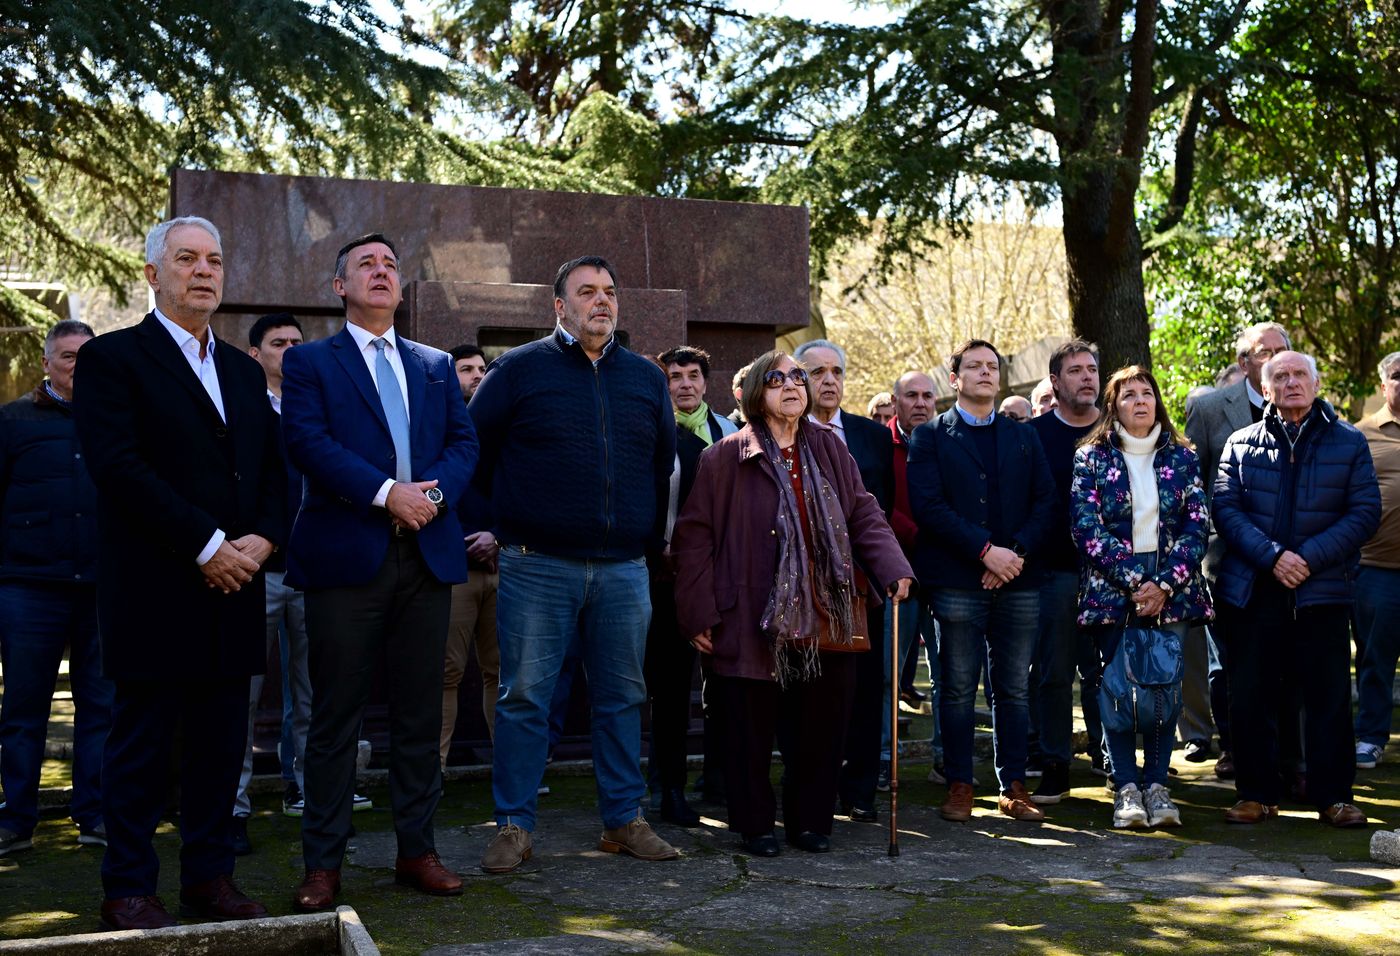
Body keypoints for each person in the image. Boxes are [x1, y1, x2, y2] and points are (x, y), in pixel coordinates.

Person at [74, 216, 283, 929]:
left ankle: (209, 879)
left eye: (215, 260)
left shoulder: (243, 371)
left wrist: (261, 540)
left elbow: (272, 473)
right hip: (157, 588)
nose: (204, 270)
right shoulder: (114, 360)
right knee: (141, 751)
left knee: (222, 751)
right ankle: (128, 887)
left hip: (236, 589)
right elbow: (119, 468)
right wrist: (207, 543)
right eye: (187, 258)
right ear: (152, 274)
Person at [282, 233, 479, 910]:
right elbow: (307, 441)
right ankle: (323, 865)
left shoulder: (432, 363)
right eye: (366, 265)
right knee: (336, 718)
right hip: (347, 559)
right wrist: (383, 493)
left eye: (390, 265)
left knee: (421, 716)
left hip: (425, 558)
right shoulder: (311, 361)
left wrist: (432, 497)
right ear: (340, 287)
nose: (380, 272)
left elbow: (463, 443)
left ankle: (417, 851)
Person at [470, 255, 679, 874]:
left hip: (622, 570)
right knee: (525, 697)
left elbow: (660, 461)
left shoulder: (645, 377)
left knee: (621, 697)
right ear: (559, 306)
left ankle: (623, 819)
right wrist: (507, 521)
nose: (602, 302)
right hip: (537, 566)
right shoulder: (517, 370)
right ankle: (513, 825)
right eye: (586, 292)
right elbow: (474, 452)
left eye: (609, 292)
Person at [672, 351, 913, 855]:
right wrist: (697, 610)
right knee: (749, 730)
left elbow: (863, 513)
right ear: (758, 392)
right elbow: (694, 539)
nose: (792, 386)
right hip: (751, 615)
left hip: (828, 610)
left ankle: (810, 822)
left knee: (821, 727)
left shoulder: (829, 449)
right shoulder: (722, 457)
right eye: (778, 378)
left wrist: (893, 568)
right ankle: (756, 824)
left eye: (798, 377)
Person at [1213, 350, 1379, 827]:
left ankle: (1334, 798)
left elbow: (1365, 511)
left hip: (1322, 589)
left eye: (1299, 374)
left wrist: (1307, 558)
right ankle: (1256, 794)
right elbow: (1225, 510)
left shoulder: (1349, 441)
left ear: (1316, 382)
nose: (1290, 383)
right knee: (1249, 695)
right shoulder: (1239, 444)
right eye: (1279, 376)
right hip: (1254, 591)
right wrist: (1273, 557)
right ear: (1264, 389)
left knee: (1327, 696)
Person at [907, 339, 1055, 823]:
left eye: (993, 367)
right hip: (957, 580)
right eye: (974, 366)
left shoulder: (1024, 435)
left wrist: (1015, 555)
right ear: (956, 380)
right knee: (955, 687)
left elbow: (1046, 502)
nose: (986, 373)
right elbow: (929, 508)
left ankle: (1013, 786)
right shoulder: (931, 436)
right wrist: (986, 553)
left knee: (1013, 688)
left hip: (1019, 579)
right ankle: (959, 783)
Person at [1070, 366, 1212, 827]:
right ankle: (1126, 787)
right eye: (1128, 394)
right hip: (1114, 586)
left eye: (1146, 393)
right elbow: (1085, 528)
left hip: (1172, 585)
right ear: (1113, 406)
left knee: (1164, 692)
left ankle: (1157, 785)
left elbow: (1196, 528)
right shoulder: (1091, 458)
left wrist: (1163, 584)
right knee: (1114, 690)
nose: (1139, 401)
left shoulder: (1184, 457)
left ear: (1158, 402)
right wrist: (1135, 582)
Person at [0, 320, 112, 858]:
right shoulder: (12, 422)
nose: (78, 366)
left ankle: (93, 814)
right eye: (68, 357)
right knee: (24, 709)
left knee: (101, 707)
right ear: (47, 363)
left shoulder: (116, 422)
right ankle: (16, 819)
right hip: (29, 588)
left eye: (87, 357)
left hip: (99, 587)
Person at [792, 339, 896, 823]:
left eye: (836, 372)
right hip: (803, 588)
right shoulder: (782, 434)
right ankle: (816, 788)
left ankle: (859, 790)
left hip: (861, 587)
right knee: (812, 692)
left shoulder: (869, 436)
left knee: (866, 687)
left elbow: (883, 509)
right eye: (817, 372)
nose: (828, 380)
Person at [1185, 321, 1292, 781]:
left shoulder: (1303, 407)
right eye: (1261, 351)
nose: (1272, 358)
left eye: (1280, 349)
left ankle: (1289, 754)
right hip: (1226, 558)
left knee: (1286, 661)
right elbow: (1196, 484)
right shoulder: (1210, 409)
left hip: (1293, 562)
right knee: (1227, 662)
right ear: (1244, 362)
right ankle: (1232, 745)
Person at [230, 312, 312, 854]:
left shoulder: (315, 407)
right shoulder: (240, 406)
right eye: (278, 343)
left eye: (297, 342)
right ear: (255, 353)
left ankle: (306, 792)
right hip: (255, 570)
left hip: (315, 574)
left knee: (312, 697)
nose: (290, 349)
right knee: (242, 697)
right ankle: (232, 808)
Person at [1029, 341, 1106, 804]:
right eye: (1075, 370)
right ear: (1055, 382)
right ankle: (1056, 765)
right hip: (1053, 574)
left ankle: (1113, 761)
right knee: (1054, 674)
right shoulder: (1032, 436)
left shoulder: (1117, 431)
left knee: (1110, 674)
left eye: (1092, 369)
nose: (1086, 377)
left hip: (1114, 575)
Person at [440, 343, 500, 765]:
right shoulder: (436, 427)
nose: (477, 375)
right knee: (445, 673)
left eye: (482, 369)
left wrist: (496, 535)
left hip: (503, 563)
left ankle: (512, 775)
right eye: (466, 369)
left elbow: (519, 491)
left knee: (505, 676)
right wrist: (465, 540)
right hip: (452, 567)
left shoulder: (504, 428)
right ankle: (432, 773)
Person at [883, 371, 943, 785]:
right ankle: (884, 759)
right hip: (896, 575)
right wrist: (921, 534)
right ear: (896, 400)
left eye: (927, 396)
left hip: (946, 575)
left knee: (949, 676)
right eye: (911, 396)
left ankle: (946, 759)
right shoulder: (877, 444)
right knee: (888, 675)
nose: (920, 403)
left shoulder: (948, 440)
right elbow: (874, 502)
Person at [1355, 351, 1400, 769]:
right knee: (1374, 658)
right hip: (1377, 569)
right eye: (1398, 377)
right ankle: (1370, 736)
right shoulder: (1361, 434)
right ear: (1383, 386)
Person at [660, 345, 739, 445]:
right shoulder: (655, 428)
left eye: (693, 376)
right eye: (676, 377)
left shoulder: (728, 429)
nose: (686, 385)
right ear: (663, 384)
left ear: (705, 385)